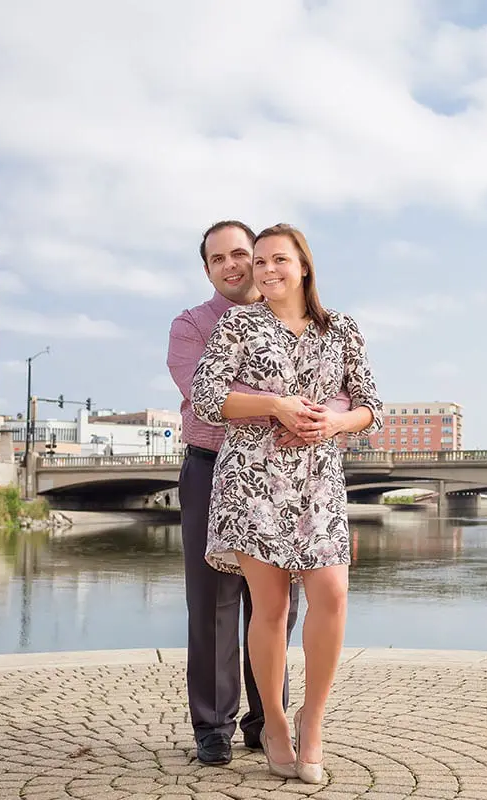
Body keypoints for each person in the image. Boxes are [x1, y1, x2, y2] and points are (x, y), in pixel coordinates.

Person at [191, 223, 382, 783]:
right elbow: (206, 397)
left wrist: (335, 421)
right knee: (269, 609)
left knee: (333, 592)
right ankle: (273, 719)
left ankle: (312, 718)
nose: (267, 269)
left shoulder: (341, 329)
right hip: (251, 479)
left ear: (304, 266)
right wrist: (274, 404)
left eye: (279, 259)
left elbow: (370, 404)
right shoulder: (236, 324)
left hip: (319, 478)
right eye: (261, 262)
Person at [167, 220, 337, 765]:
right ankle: (212, 727)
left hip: (287, 475)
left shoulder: (305, 322)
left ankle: (268, 722)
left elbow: (339, 390)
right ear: (209, 270)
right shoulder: (193, 325)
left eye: (243, 253)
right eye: (219, 260)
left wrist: (324, 417)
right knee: (213, 604)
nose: (235, 266)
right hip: (212, 464)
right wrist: (282, 406)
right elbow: (206, 393)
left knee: (276, 606)